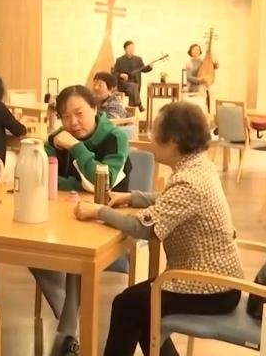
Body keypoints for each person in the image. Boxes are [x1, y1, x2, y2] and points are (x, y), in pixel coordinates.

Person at [74, 101, 244, 356]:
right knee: (141, 308)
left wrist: (98, 211)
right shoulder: (198, 166)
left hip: (210, 287)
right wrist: (131, 197)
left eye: (155, 132)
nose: (150, 138)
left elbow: (144, 228)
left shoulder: (189, 181)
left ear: (173, 140)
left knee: (128, 305)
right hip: (220, 282)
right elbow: (169, 198)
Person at [31, 84, 133, 355]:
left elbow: (103, 183)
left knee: (77, 255)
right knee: (31, 250)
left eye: (79, 113)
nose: (73, 122)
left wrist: (76, 147)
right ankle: (70, 324)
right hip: (62, 216)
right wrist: (76, 183)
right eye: (65, 116)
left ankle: (67, 332)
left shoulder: (115, 138)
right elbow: (44, 178)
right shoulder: (57, 138)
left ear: (95, 108)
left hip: (109, 220)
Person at [111, 40, 151, 111]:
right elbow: (114, 73)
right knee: (133, 87)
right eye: (129, 48)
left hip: (135, 84)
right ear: (125, 49)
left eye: (132, 48)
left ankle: (130, 111)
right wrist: (121, 75)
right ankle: (139, 104)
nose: (131, 50)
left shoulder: (138, 59)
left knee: (133, 88)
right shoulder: (119, 60)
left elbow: (143, 69)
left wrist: (150, 67)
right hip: (123, 84)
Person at [184, 43, 219, 112]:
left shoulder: (202, 62)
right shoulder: (189, 63)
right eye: (194, 49)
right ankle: (201, 111)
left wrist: (211, 54)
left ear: (200, 51)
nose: (196, 51)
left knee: (211, 89)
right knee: (202, 89)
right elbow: (189, 77)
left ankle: (209, 112)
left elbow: (215, 66)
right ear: (190, 51)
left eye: (197, 49)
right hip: (193, 85)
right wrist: (199, 80)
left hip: (203, 85)